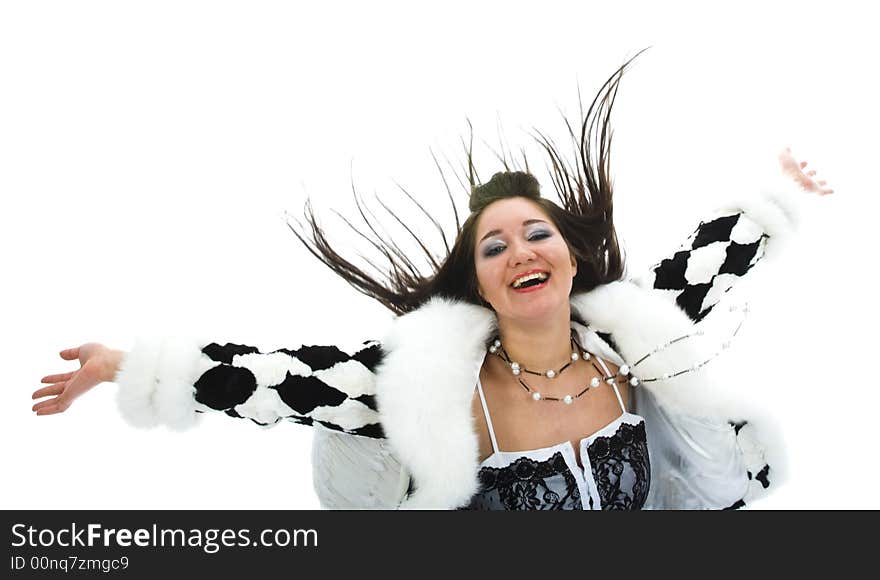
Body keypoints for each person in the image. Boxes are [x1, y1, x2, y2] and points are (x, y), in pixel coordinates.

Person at [31, 55, 833, 510]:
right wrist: (127, 365)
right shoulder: (428, 391)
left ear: (570, 260)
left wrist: (784, 190)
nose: (520, 250)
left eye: (536, 233)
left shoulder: (632, 342)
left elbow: (713, 260)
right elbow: (290, 383)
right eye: (494, 247)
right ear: (479, 284)